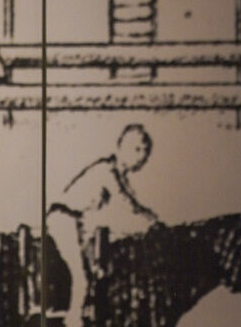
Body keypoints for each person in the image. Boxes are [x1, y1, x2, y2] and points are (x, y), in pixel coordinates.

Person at [46, 125, 159, 327]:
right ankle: (74, 321)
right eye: (137, 149)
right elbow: (127, 205)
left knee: (97, 273)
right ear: (121, 147)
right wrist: (154, 221)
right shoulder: (107, 171)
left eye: (145, 151)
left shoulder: (121, 177)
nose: (142, 156)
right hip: (63, 219)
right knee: (81, 278)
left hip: (80, 225)